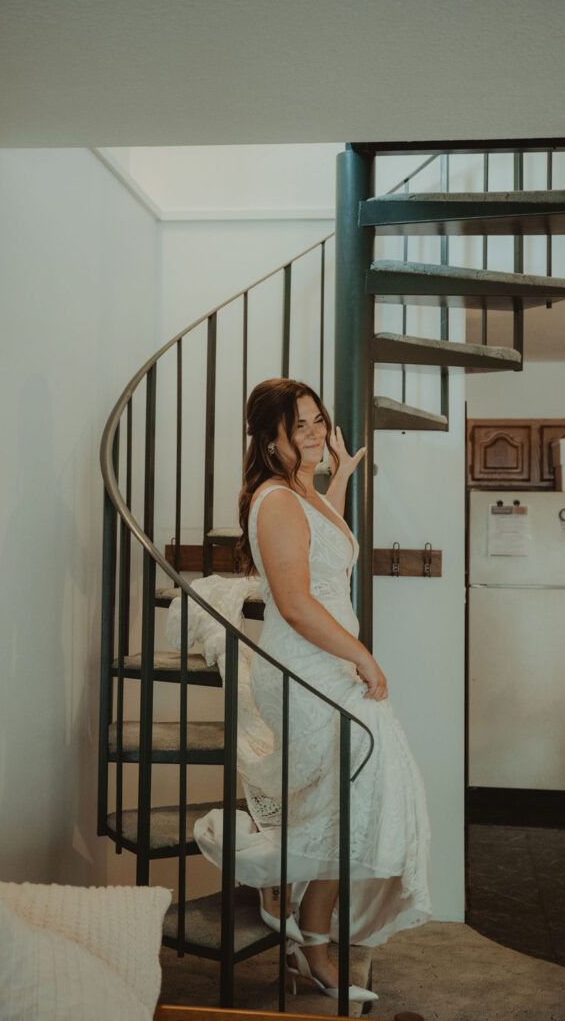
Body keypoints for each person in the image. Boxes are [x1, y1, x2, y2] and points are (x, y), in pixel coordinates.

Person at [197, 378, 432, 1003]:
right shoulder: (274, 500)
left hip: (327, 663)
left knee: (350, 798)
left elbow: (322, 551)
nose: (314, 432)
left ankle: (306, 923)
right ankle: (309, 932)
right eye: (297, 425)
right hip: (305, 666)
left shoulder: (301, 490)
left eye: (318, 420)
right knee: (357, 789)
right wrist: (364, 657)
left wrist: (340, 479)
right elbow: (298, 603)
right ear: (268, 436)